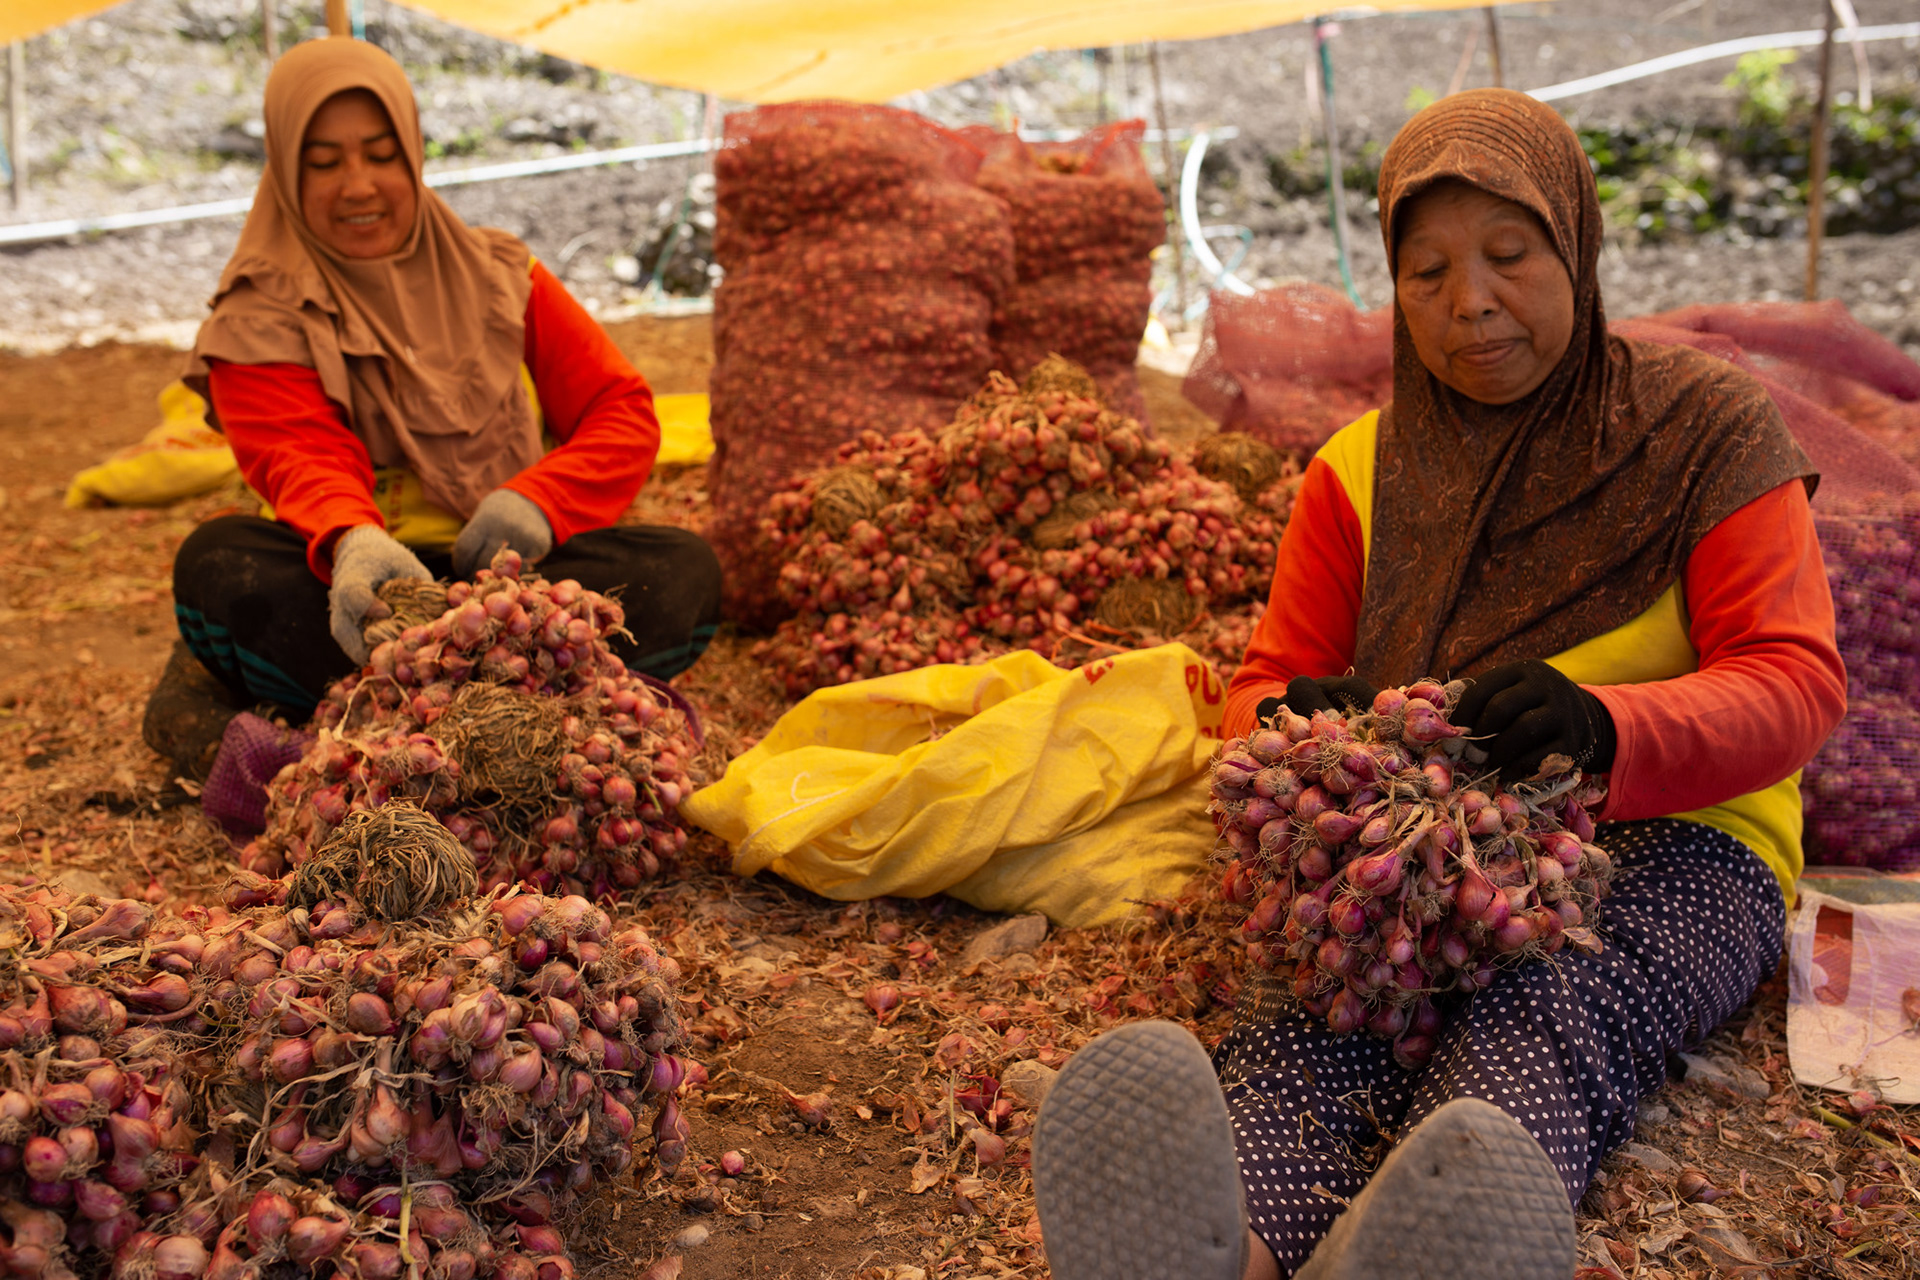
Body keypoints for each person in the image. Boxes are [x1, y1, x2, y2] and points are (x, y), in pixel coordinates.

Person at [1030, 89, 1845, 1280]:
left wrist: (1603, 725)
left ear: (1576, 242)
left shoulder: (1706, 432)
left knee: (1554, 1003)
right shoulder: (1354, 472)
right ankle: (1227, 1255)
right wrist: (1294, 722)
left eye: (1510, 255)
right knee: (1323, 1014)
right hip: (1418, 838)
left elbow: (1795, 682)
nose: (1471, 301)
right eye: (1427, 273)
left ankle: (1441, 1241)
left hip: (1682, 835)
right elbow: (1261, 687)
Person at [142, 37, 721, 774]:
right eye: (324, 163)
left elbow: (621, 408)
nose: (359, 185)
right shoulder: (258, 312)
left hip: (515, 586)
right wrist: (351, 538)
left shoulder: (502, 274)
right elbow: (299, 451)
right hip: (359, 597)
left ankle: (397, 726)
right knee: (221, 563)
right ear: (285, 170)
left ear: (413, 155)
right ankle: (525, 712)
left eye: (382, 155)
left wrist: (539, 502)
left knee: (684, 570)